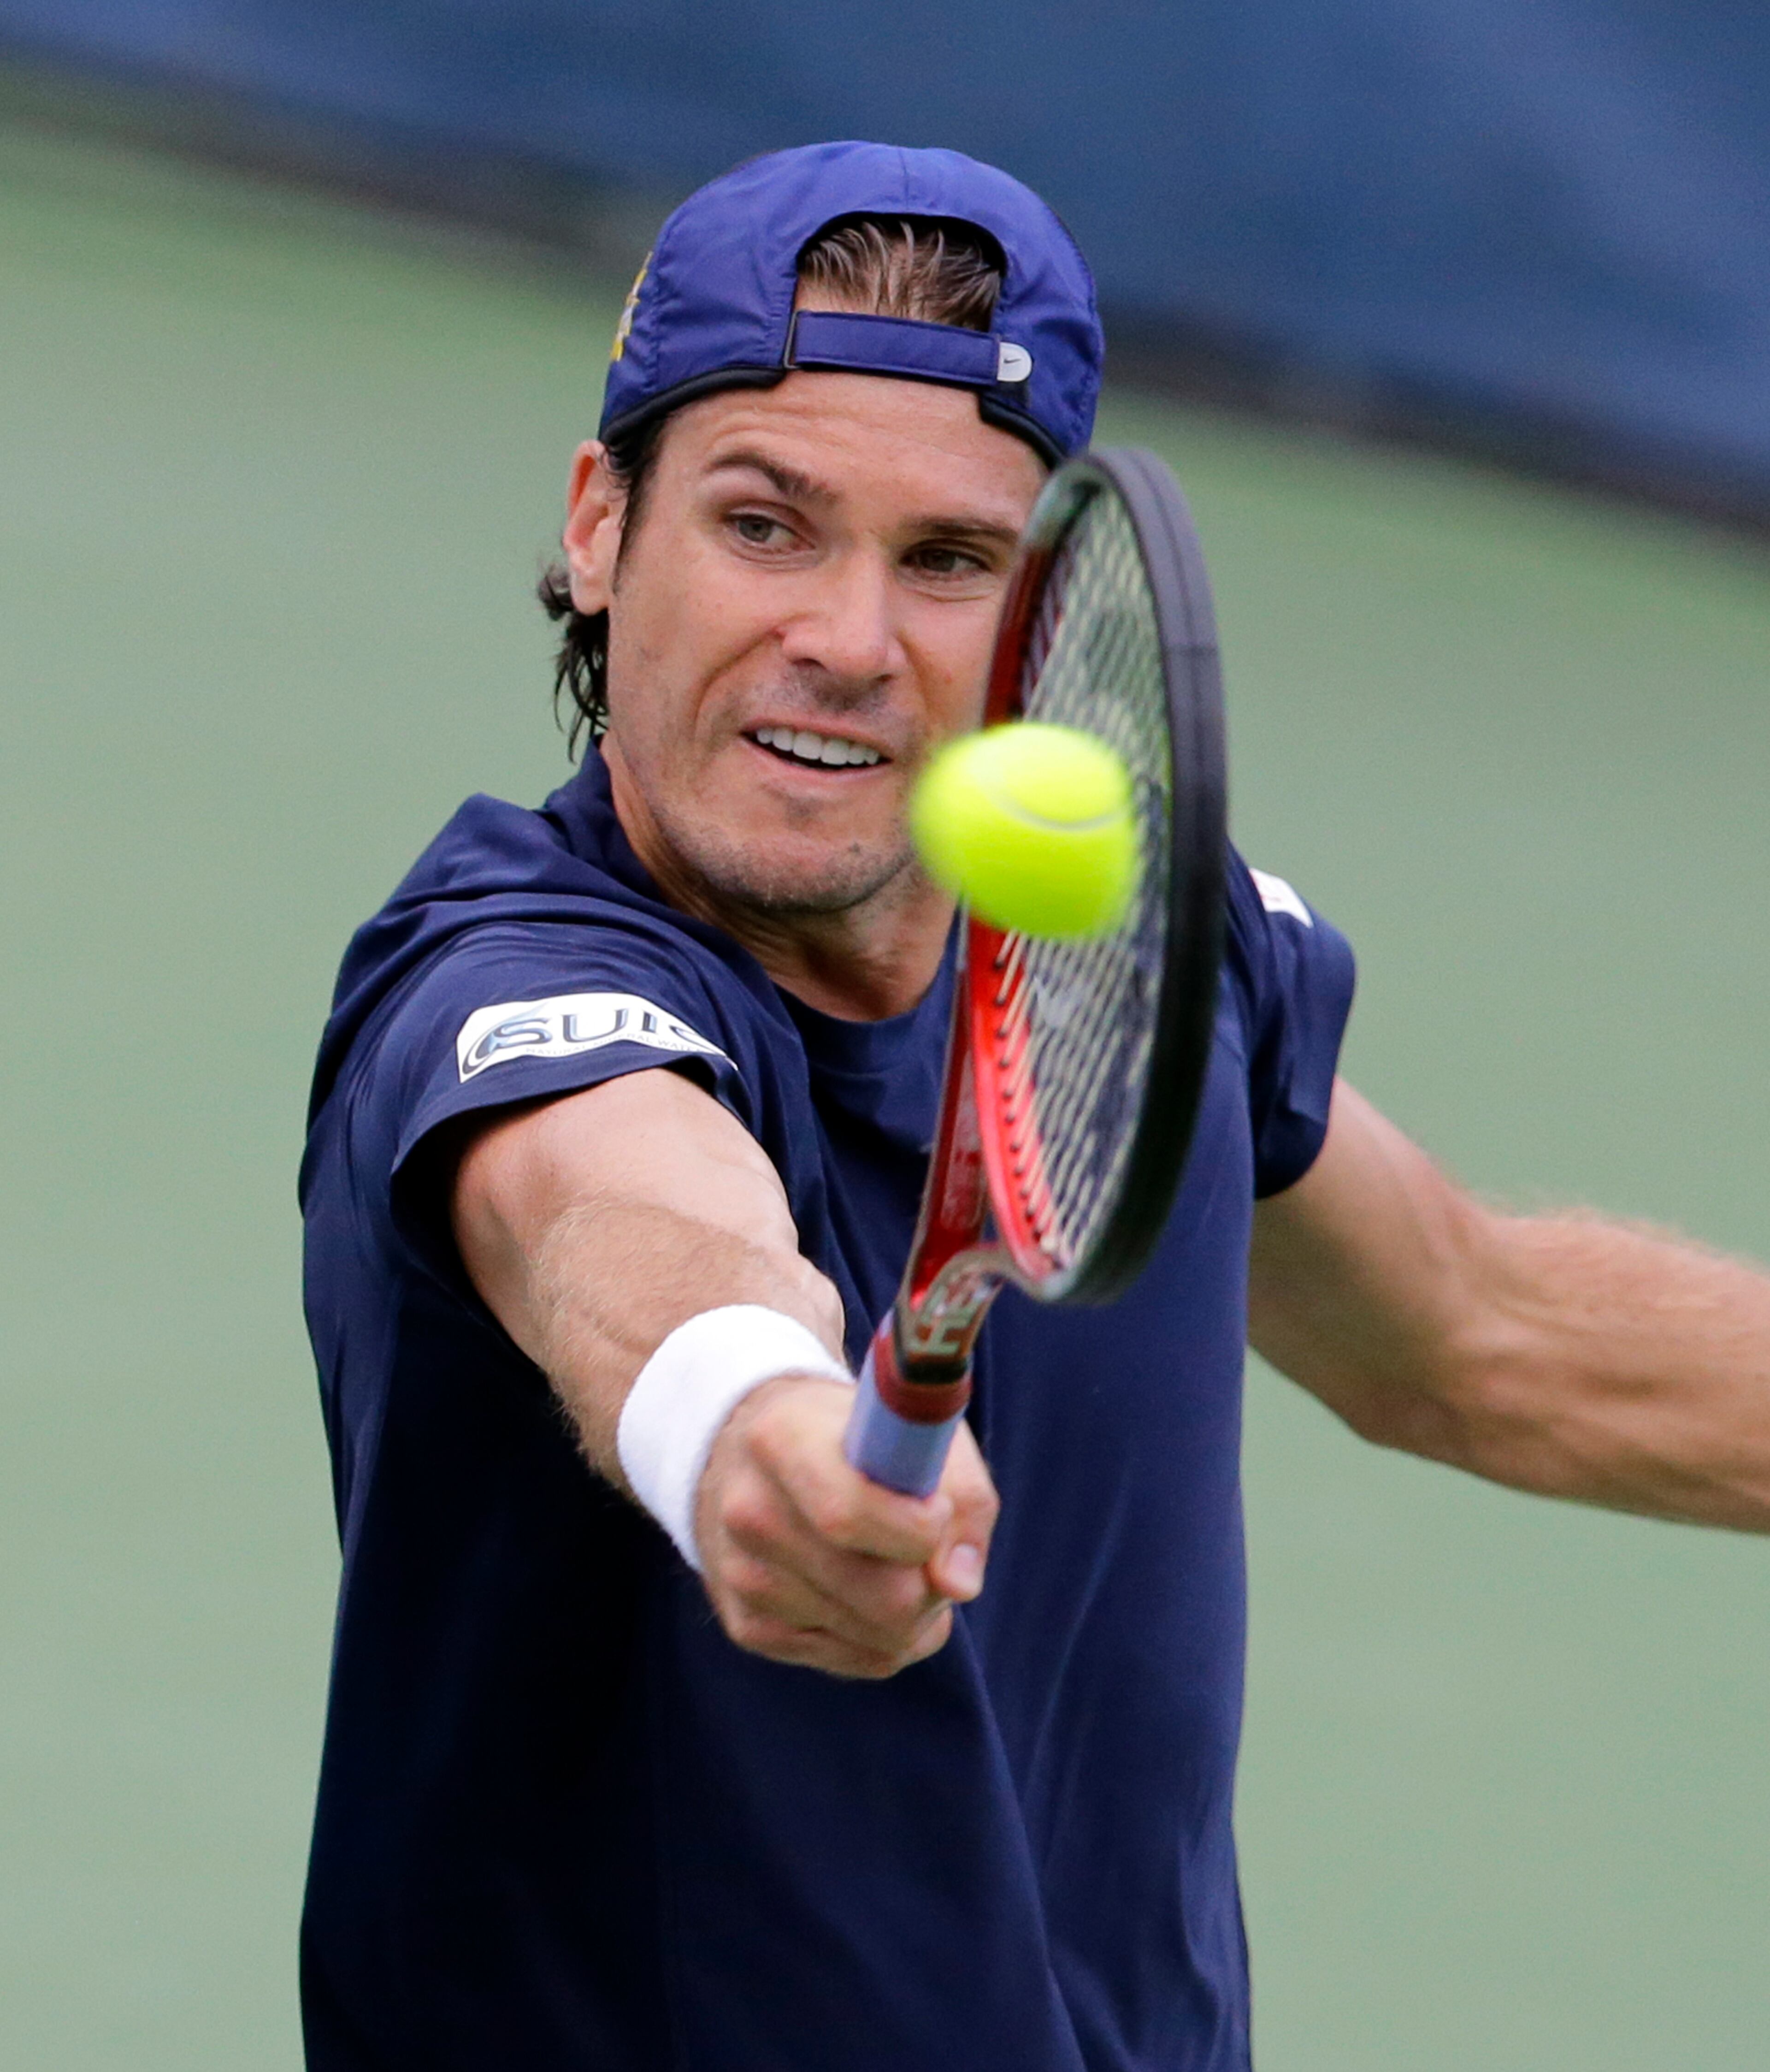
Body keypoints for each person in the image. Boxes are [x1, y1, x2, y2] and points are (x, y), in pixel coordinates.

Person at [298, 142, 1770, 2070]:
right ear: (600, 525)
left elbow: (1478, 1337)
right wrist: (747, 1420)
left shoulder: (1135, 952)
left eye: (949, 561)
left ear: (1041, 624)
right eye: (765, 524)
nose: (847, 633)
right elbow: (621, 1224)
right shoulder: (507, 980)